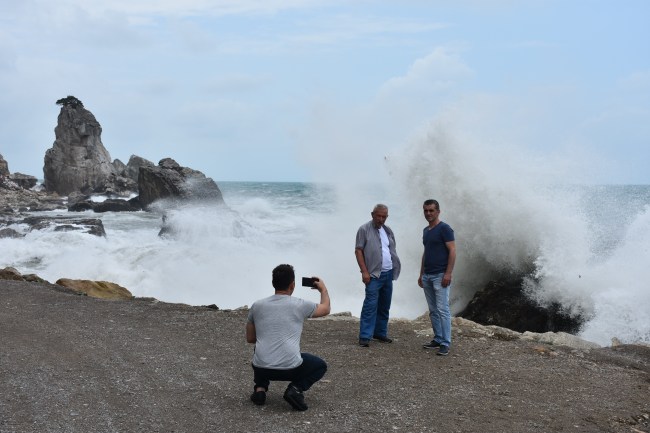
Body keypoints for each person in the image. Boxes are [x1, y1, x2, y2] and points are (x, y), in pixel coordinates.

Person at [246, 264, 331, 411]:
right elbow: (326, 309)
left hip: (262, 369)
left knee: (260, 346)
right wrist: (323, 289)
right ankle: (295, 389)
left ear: (273, 283)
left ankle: (260, 390)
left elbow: (251, 338)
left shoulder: (257, 306)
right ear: (292, 285)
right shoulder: (299, 304)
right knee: (320, 365)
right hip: (290, 369)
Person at [355, 204, 401, 347]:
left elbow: (390, 250)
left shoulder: (388, 230)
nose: (381, 219)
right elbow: (358, 251)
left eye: (384, 216)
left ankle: (380, 333)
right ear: (372, 214)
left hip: (388, 274)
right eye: (378, 216)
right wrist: (364, 271)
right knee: (370, 305)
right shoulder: (364, 229)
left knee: (384, 305)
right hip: (373, 275)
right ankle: (365, 336)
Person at [418, 199, 456, 356]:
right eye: (426, 210)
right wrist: (421, 274)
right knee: (433, 310)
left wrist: (448, 273)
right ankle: (438, 338)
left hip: (440, 275)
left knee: (442, 309)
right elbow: (426, 252)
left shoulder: (445, 229)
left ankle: (446, 343)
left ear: (438, 211)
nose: (428, 213)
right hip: (427, 275)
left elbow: (452, 251)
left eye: (431, 210)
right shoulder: (426, 231)